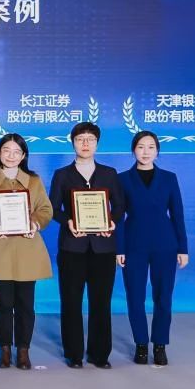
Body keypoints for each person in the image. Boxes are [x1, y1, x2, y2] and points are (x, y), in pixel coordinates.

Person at [49, 122, 125, 369]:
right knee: (71, 301)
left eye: (90, 139)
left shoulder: (109, 173)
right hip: (72, 246)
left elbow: (120, 206)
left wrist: (111, 222)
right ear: (72, 143)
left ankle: (99, 354)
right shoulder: (62, 174)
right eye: (80, 139)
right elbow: (53, 208)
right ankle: (74, 354)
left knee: (101, 302)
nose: (85, 143)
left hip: (103, 247)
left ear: (97, 144)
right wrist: (68, 221)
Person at [0, 133, 53, 370]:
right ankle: (5, 349)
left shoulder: (34, 181)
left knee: (25, 304)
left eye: (16, 152)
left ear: (23, 156)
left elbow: (45, 209)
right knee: (3, 303)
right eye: (6, 151)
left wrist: (35, 224)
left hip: (27, 249)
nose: (11, 156)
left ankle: (23, 350)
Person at [117, 130, 189, 367]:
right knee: (134, 296)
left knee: (163, 296)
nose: (145, 152)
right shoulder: (122, 179)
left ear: (157, 151)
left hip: (165, 245)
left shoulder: (169, 178)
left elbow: (177, 215)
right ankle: (140, 344)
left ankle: (160, 345)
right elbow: (117, 217)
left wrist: (183, 248)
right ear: (133, 150)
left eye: (150, 147)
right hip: (133, 244)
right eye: (140, 147)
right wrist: (119, 248)